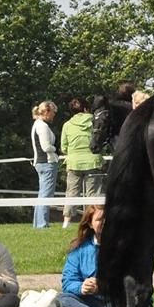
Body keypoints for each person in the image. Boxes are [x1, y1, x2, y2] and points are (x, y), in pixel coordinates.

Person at [57, 205, 114, 307]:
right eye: (99, 220)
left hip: (118, 300)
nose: (105, 223)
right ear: (90, 224)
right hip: (91, 302)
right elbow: (68, 282)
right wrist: (82, 287)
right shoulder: (79, 249)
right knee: (62, 299)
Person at [60, 97, 103, 228]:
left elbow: (63, 147)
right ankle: (92, 221)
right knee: (93, 194)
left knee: (71, 193)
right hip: (93, 161)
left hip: (73, 163)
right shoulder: (94, 122)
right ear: (86, 108)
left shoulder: (67, 125)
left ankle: (66, 222)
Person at [30, 100, 59, 229]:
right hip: (47, 162)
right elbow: (46, 146)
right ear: (47, 112)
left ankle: (38, 223)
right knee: (46, 195)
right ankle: (42, 224)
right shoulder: (42, 126)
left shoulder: (37, 124)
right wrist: (55, 149)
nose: (54, 115)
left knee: (42, 193)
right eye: (53, 112)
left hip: (41, 163)